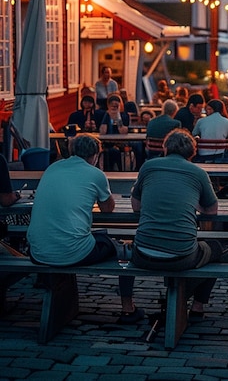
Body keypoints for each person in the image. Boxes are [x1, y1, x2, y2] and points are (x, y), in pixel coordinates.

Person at [27, 135, 142, 323]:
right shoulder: (95, 174)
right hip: (73, 252)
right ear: (95, 155)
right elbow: (108, 208)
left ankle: (50, 288)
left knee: (91, 236)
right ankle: (128, 308)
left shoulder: (52, 168)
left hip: (37, 250)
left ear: (72, 151)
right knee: (123, 249)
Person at [131, 129, 222, 318]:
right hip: (181, 256)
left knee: (121, 244)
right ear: (193, 151)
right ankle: (197, 307)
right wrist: (196, 205)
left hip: (142, 253)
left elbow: (136, 207)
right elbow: (212, 210)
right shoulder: (198, 173)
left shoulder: (148, 167)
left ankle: (134, 304)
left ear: (165, 147)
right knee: (216, 249)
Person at [99, 94, 131, 171]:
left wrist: (118, 117)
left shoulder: (125, 116)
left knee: (115, 152)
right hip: (107, 143)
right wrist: (107, 116)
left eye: (116, 106)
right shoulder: (106, 115)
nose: (114, 108)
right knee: (109, 151)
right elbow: (102, 132)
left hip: (121, 142)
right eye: (111, 106)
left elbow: (123, 132)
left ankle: (121, 170)